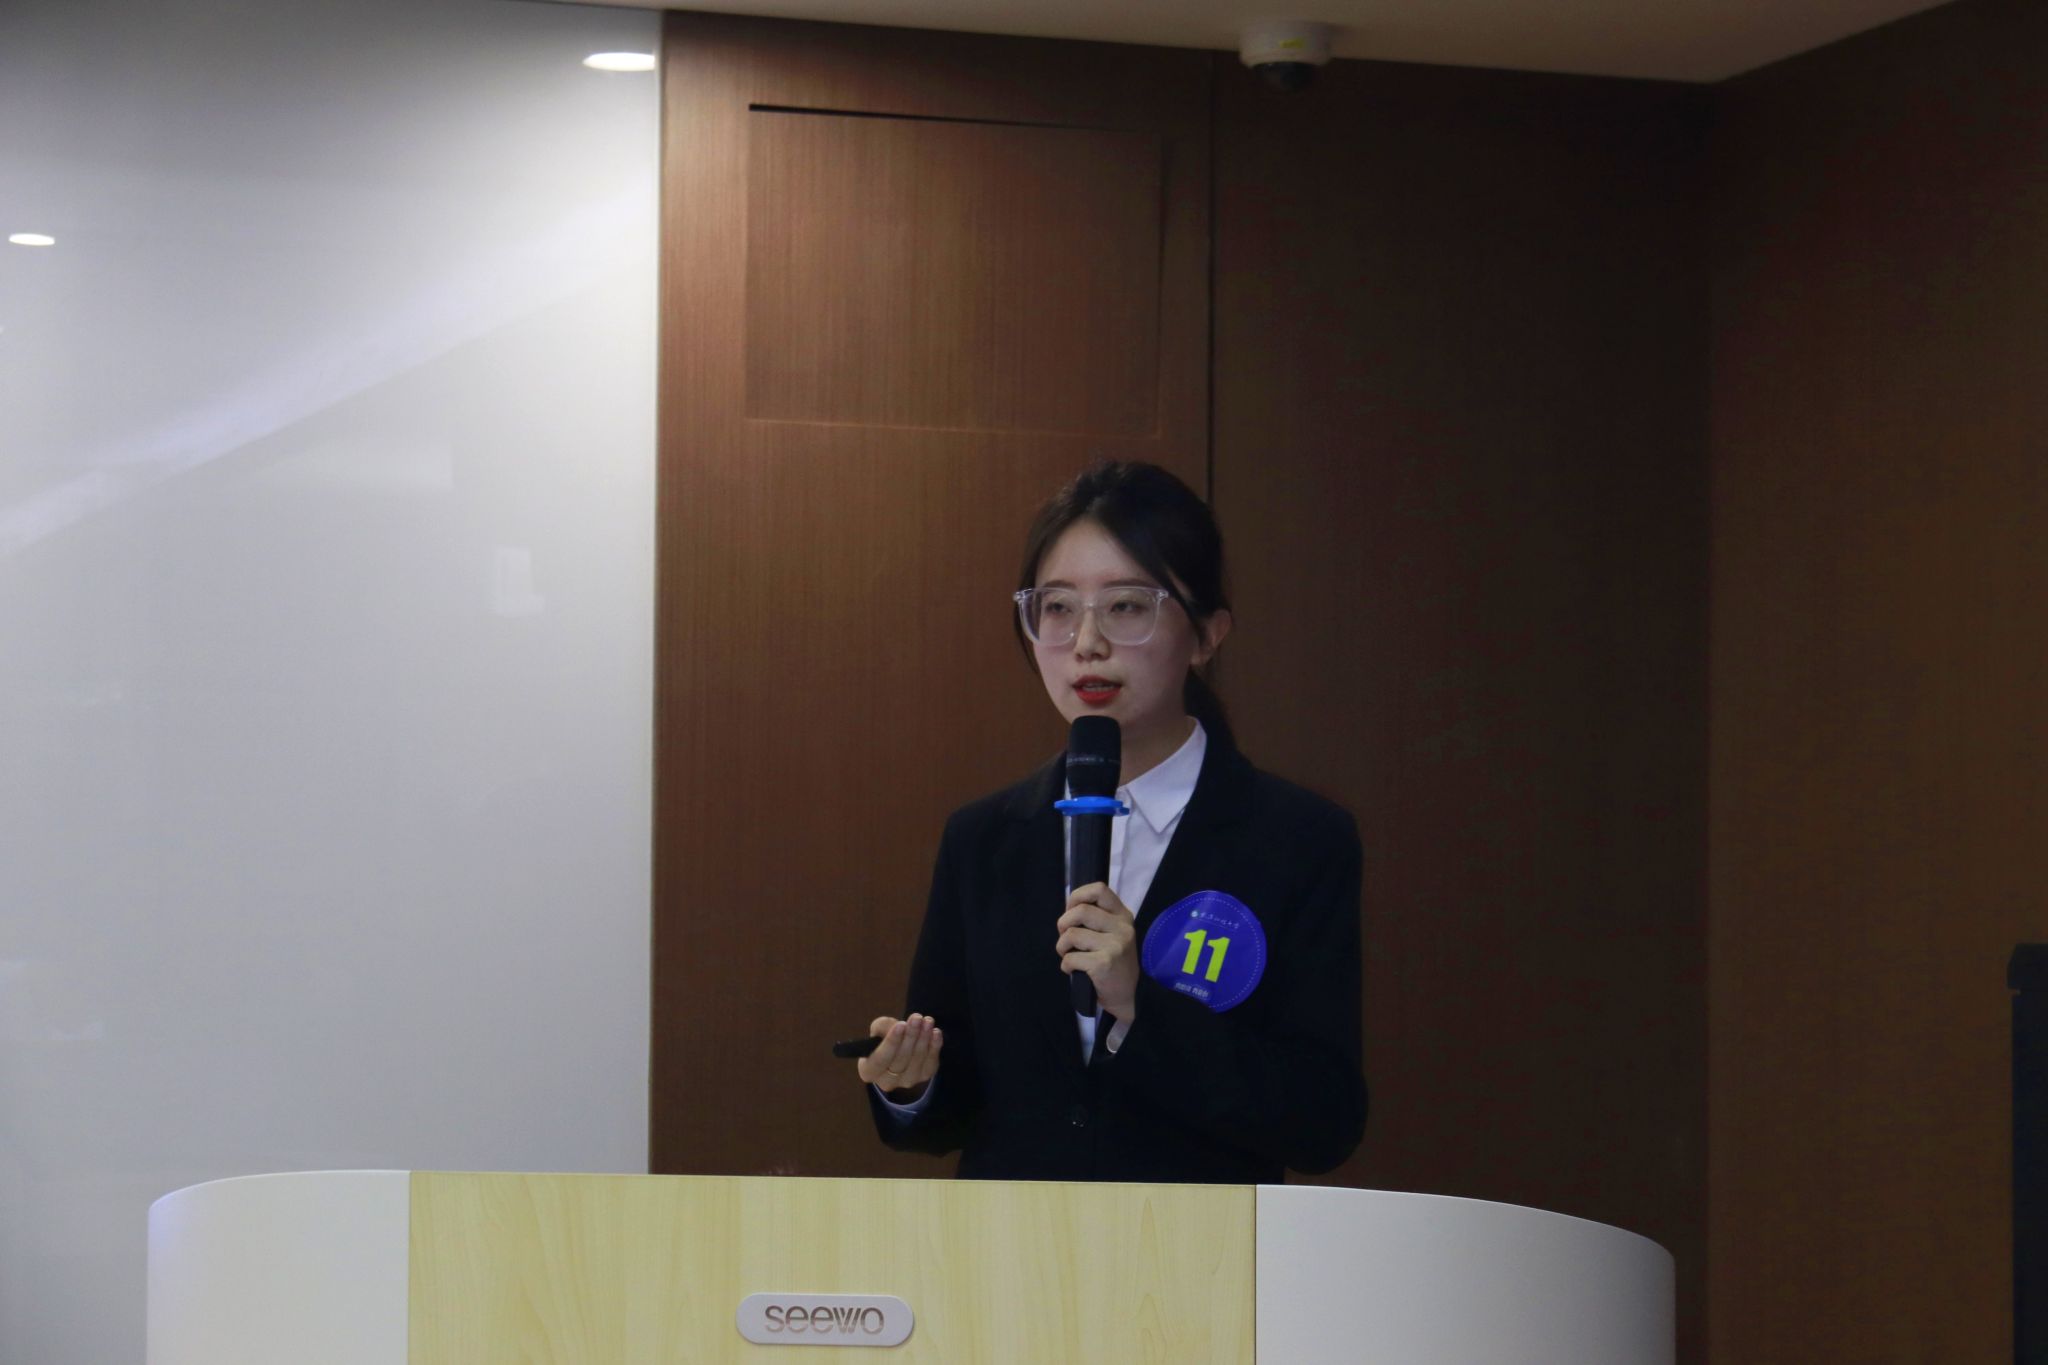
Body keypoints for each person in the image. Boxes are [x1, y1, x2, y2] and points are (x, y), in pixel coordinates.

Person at [855, 460, 1367, 1183]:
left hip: (1197, 1245)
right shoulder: (984, 838)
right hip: (1012, 1243)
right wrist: (911, 1083)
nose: (1085, 641)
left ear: (1207, 634)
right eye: (1057, 607)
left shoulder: (1295, 839)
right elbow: (960, 1104)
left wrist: (1139, 1007)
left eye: (1126, 606)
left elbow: (1323, 1120)